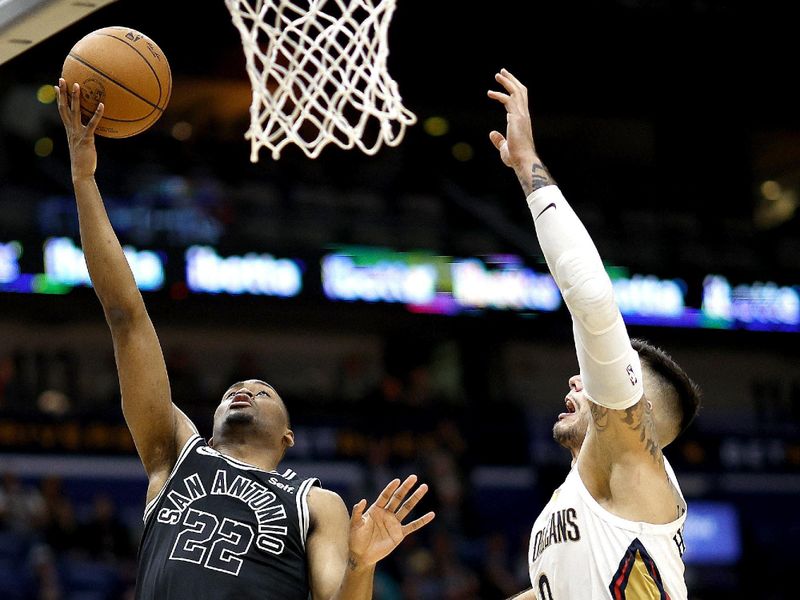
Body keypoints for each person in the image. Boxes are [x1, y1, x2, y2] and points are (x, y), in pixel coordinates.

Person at [54, 79, 434, 600]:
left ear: (288, 438)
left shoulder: (315, 502)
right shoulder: (173, 452)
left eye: (264, 390)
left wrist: (362, 564)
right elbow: (126, 315)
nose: (246, 389)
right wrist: (83, 176)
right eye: (239, 386)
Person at [487, 69, 702, 600]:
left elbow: (593, 301)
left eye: (596, 381)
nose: (577, 379)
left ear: (638, 414)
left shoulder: (631, 456)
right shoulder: (574, 511)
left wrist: (527, 165)